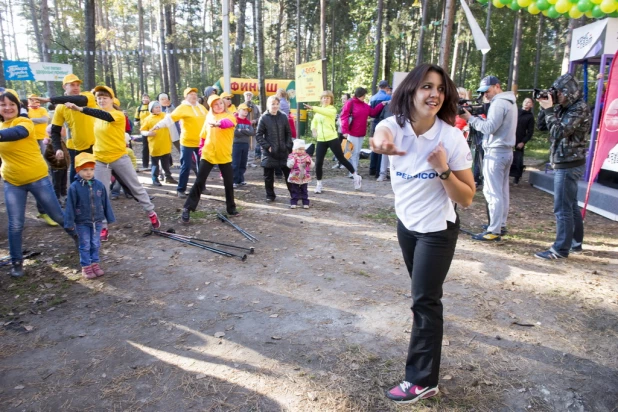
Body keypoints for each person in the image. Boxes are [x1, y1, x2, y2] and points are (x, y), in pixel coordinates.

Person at [370, 63, 475, 404]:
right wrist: (382, 145)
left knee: (425, 301)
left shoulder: (451, 136)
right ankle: (428, 343)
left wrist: (443, 169)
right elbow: (380, 138)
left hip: (437, 230)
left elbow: (468, 198)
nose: (434, 94)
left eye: (441, 89)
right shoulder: (392, 126)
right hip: (407, 226)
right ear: (411, 91)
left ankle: (422, 379)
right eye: (427, 87)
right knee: (423, 297)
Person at [63, 86, 161, 240]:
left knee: (135, 187)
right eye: (99, 98)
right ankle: (102, 226)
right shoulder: (95, 115)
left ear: (111, 99)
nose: (101, 100)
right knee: (100, 194)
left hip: (119, 157)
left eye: (105, 97)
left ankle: (151, 213)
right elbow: (88, 106)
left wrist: (80, 109)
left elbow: (103, 115)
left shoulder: (118, 115)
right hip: (100, 160)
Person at [0, 90, 79, 277]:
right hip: (12, 181)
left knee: (57, 215)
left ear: (18, 106)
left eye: (12, 104)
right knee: (15, 224)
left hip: (37, 178)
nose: (8, 108)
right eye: (3, 104)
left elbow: (17, 133)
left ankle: (77, 237)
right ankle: (16, 262)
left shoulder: (24, 122)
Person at [535, 73, 591, 260]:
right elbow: (542, 127)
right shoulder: (562, 108)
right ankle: (575, 243)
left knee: (562, 208)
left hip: (569, 163)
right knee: (571, 205)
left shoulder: (579, 108)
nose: (557, 96)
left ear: (569, 92)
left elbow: (559, 131)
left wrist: (550, 110)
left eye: (559, 93)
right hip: (564, 162)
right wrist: (544, 108)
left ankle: (560, 249)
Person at [461, 75, 517, 241]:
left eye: (488, 90)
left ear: (497, 87)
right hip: (505, 150)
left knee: (492, 192)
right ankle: (500, 224)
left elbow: (489, 128)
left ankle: (494, 230)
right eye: (482, 92)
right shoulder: (510, 101)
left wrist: (470, 119)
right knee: (502, 191)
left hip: (496, 151)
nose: (485, 94)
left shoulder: (499, 103)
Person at [181, 94, 238, 222]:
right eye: (215, 104)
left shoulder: (230, 116)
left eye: (220, 103)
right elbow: (203, 135)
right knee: (199, 182)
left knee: (228, 183)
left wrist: (218, 123)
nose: (219, 106)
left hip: (224, 155)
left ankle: (231, 208)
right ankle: (188, 208)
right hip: (208, 154)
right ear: (211, 106)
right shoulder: (208, 118)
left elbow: (227, 123)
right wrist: (201, 148)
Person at [34, 74, 97, 186]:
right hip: (75, 146)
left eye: (77, 85)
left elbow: (78, 100)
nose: (76, 87)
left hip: (96, 144)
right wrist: (58, 148)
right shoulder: (60, 108)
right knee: (77, 172)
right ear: (64, 87)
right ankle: (74, 197)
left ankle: (96, 195)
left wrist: (50, 99)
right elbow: (55, 130)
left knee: (94, 171)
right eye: (72, 85)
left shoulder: (87, 97)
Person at [64, 153, 115, 279]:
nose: (88, 173)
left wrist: (109, 217)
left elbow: (105, 202)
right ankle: (86, 267)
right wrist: (69, 223)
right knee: (85, 244)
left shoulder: (99, 185)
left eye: (91, 169)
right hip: (82, 222)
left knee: (96, 243)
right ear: (78, 170)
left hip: (97, 221)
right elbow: (70, 206)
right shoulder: (74, 187)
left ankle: (95, 264)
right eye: (85, 170)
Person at [152, 87, 207, 198]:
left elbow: (209, 119)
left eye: (195, 94)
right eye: (190, 94)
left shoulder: (201, 107)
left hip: (200, 142)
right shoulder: (182, 108)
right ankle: (181, 189)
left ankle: (201, 187)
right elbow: (170, 118)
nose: (193, 96)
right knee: (186, 166)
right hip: (187, 142)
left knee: (201, 166)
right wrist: (158, 125)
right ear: (186, 96)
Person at [304, 90, 362, 193]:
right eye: (324, 98)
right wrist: (313, 129)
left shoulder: (332, 110)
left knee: (342, 158)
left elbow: (324, 112)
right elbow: (314, 121)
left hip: (332, 138)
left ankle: (356, 176)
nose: (325, 99)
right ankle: (319, 184)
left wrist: (313, 108)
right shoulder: (318, 111)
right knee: (318, 162)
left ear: (331, 100)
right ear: (321, 99)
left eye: (328, 98)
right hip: (321, 139)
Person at [340, 87, 386, 176]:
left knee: (356, 153)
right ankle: (353, 172)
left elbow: (372, 112)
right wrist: (345, 131)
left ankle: (353, 171)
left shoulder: (364, 105)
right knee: (353, 153)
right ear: (359, 95)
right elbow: (344, 117)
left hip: (361, 133)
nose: (364, 97)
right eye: (363, 95)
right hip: (352, 132)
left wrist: (381, 105)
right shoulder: (350, 103)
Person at [255, 95, 293, 202]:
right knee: (268, 176)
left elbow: (288, 133)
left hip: (283, 151)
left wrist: (287, 146)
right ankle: (270, 195)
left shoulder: (283, 116)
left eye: (277, 104)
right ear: (268, 105)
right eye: (273, 104)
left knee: (289, 175)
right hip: (270, 152)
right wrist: (267, 146)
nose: (275, 106)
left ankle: (294, 194)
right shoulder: (264, 117)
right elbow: (258, 135)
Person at [140, 100, 177, 186]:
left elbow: (172, 116)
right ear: (151, 109)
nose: (158, 109)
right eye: (156, 107)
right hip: (155, 145)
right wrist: (148, 133)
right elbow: (142, 131)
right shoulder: (147, 119)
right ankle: (155, 178)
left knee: (166, 162)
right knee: (155, 163)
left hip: (165, 143)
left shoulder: (164, 115)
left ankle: (168, 177)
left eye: (159, 107)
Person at [368, 80, 392, 178]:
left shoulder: (372, 98)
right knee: (382, 147)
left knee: (375, 145)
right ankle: (379, 171)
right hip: (384, 123)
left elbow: (370, 111)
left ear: (378, 87)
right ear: (386, 88)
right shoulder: (389, 98)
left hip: (374, 122)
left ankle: (372, 169)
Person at [510, 97, 535, 185]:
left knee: (518, 159)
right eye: (525, 101)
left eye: (529, 102)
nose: (526, 103)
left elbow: (530, 132)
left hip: (520, 139)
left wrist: (523, 142)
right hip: (510, 137)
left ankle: (516, 177)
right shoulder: (515, 112)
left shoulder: (530, 117)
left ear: (531, 105)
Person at [43, 124, 69, 205]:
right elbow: (47, 155)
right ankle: (57, 199)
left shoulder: (61, 141)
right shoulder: (52, 143)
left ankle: (64, 196)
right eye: (62, 130)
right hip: (57, 168)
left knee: (63, 183)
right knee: (56, 184)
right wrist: (56, 160)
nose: (64, 130)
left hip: (64, 167)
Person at [232, 103, 255, 187]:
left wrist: (242, 130)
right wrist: (245, 131)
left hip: (245, 144)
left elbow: (252, 132)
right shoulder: (235, 120)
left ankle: (241, 179)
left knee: (243, 162)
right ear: (239, 110)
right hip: (236, 144)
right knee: (235, 163)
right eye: (244, 110)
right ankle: (234, 180)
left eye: (247, 110)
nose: (246, 112)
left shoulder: (247, 122)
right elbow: (235, 132)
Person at [286, 139, 313, 208]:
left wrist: (310, 162)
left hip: (304, 176)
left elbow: (312, 166)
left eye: (303, 149)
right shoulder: (291, 156)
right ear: (295, 149)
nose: (301, 151)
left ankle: (305, 202)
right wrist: (293, 160)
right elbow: (289, 165)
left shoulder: (307, 156)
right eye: (299, 149)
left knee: (304, 190)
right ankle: (294, 202)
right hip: (295, 176)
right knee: (294, 190)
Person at [244, 91, 262, 164]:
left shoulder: (255, 107)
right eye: (247, 95)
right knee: (245, 145)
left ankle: (251, 161)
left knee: (252, 145)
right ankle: (244, 160)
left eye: (250, 95)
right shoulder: (242, 106)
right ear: (244, 96)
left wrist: (255, 120)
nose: (248, 97)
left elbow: (259, 117)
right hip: (244, 129)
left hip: (253, 129)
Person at [134, 94, 151, 168]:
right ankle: (145, 164)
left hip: (153, 128)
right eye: (144, 98)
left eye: (147, 98)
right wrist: (135, 122)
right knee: (145, 147)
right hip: (144, 129)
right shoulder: (139, 108)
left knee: (157, 146)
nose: (145, 99)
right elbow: (136, 118)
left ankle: (167, 163)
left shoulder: (152, 106)